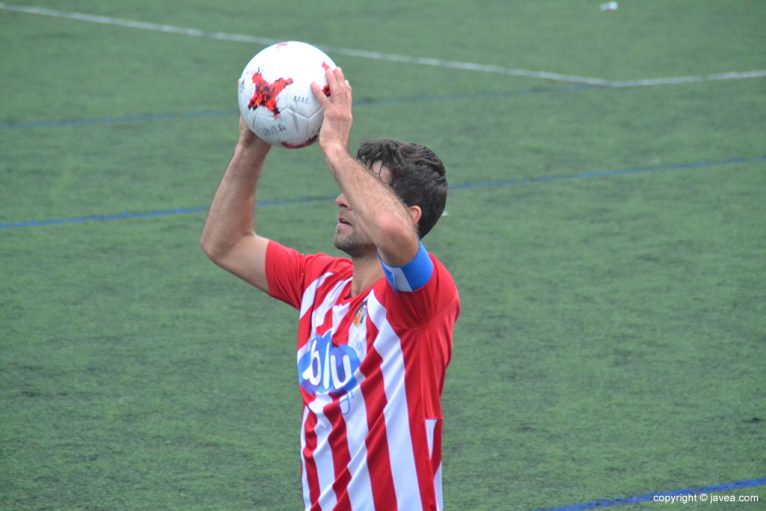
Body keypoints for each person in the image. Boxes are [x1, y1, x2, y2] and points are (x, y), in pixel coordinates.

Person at [201, 66, 460, 511]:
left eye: (360, 189)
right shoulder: (318, 282)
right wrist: (252, 143)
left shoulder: (422, 299)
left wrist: (336, 149)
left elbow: (390, 231)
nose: (343, 197)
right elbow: (224, 243)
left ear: (411, 216)